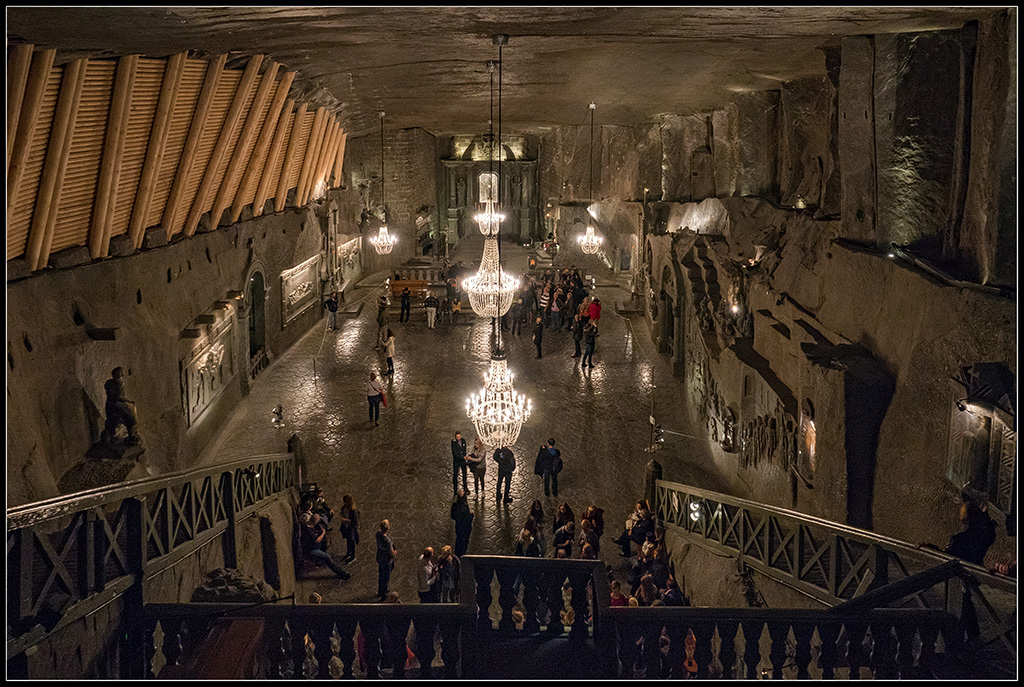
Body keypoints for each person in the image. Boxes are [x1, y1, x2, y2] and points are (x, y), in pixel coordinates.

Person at [300, 512, 351, 579]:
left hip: (315, 546)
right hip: (312, 550)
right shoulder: (308, 531)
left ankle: (319, 560)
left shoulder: (309, 525)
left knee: (326, 543)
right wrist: (323, 533)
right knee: (327, 557)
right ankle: (342, 573)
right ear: (315, 522)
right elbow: (317, 540)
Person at [376, 519, 397, 601]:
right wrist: (395, 552)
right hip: (387, 560)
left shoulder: (378, 534)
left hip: (380, 557)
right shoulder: (387, 541)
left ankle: (380, 591)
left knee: (381, 574)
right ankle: (384, 594)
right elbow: (391, 553)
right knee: (386, 576)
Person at [451, 487, 474, 557]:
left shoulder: (454, 505)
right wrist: (471, 515)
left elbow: (452, 516)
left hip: (458, 526)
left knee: (458, 539)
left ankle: (457, 553)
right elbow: (467, 518)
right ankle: (462, 553)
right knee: (465, 541)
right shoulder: (464, 506)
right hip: (465, 527)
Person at [338, 494, 359, 562]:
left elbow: (355, 522)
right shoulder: (345, 507)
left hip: (351, 529)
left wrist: (346, 520)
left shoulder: (353, 511)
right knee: (348, 541)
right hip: (346, 527)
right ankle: (348, 553)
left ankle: (352, 556)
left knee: (351, 542)